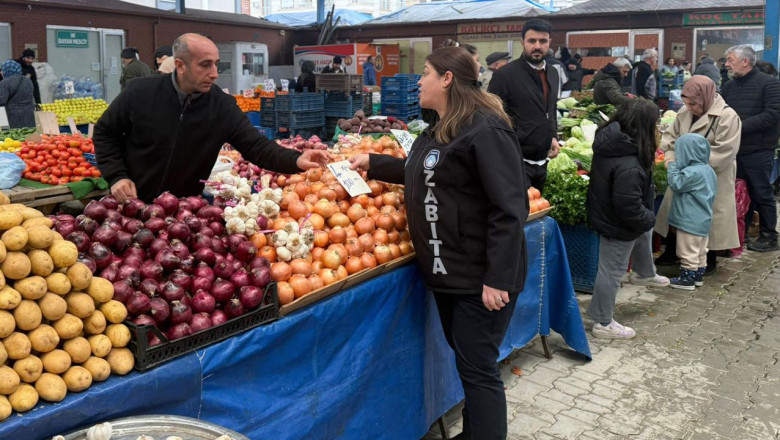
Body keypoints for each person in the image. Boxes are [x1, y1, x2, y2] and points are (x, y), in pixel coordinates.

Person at [348, 46, 528, 440]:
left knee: (479, 368)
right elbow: (427, 173)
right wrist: (375, 164)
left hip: (479, 276)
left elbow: (509, 208)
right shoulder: (443, 125)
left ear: (447, 79)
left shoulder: (485, 129)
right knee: (468, 361)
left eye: (425, 72)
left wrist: (498, 277)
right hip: (451, 273)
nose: (418, 80)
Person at [94, 33, 330, 204]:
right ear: (180, 65)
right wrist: (117, 176)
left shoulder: (222, 106)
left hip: (184, 213)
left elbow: (257, 147)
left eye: (216, 64)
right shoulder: (139, 92)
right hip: (132, 204)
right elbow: (105, 131)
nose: (215, 74)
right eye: (205, 65)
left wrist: (297, 159)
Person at [586, 98, 670, 339]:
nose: (659, 127)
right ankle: (603, 322)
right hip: (617, 221)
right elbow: (627, 205)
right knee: (611, 270)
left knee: (643, 232)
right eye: (656, 123)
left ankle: (645, 273)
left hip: (611, 212)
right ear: (643, 125)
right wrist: (647, 217)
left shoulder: (616, 139)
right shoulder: (629, 163)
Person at [655, 76, 741, 274]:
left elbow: (725, 151)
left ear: (706, 96)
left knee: (706, 216)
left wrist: (690, 166)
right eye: (686, 102)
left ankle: (708, 259)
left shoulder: (728, 117)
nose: (689, 107)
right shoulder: (684, 112)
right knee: (676, 213)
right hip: (681, 173)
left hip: (712, 176)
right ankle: (672, 252)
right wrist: (670, 160)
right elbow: (670, 138)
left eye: (693, 103)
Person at [489, 18, 560, 193]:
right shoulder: (505, 75)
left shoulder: (553, 73)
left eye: (543, 41)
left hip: (542, 160)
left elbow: (551, 109)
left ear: (549, 42)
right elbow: (490, 117)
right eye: (532, 41)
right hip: (515, 160)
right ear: (522, 42)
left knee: (538, 208)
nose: (537, 46)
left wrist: (552, 136)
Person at [722, 44, 780, 251]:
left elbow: (772, 115)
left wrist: (738, 126)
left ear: (745, 61)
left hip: (759, 149)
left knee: (761, 193)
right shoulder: (729, 87)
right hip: (734, 150)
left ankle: (769, 235)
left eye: (730, 60)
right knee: (738, 193)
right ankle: (741, 232)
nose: (726, 64)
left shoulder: (769, 84)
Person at [664, 133, 718, 290]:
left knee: (687, 250)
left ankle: (686, 280)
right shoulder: (708, 170)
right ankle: (697, 276)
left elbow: (676, 184)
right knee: (700, 251)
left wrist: (673, 166)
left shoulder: (692, 172)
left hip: (689, 220)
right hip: (703, 219)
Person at [0, 60, 35, 128]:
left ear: (8, 70)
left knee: (16, 137)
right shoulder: (28, 81)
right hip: (29, 116)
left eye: (2, 69)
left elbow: (1, 101)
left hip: (13, 119)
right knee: (29, 136)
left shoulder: (4, 83)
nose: (1, 72)